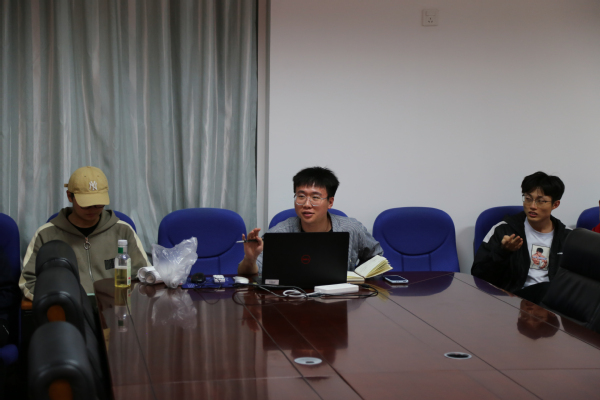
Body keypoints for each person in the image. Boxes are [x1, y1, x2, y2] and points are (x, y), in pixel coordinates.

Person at [19, 166, 150, 299]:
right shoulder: (46, 235)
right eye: (86, 204)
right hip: (67, 307)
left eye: (98, 204)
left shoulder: (123, 230)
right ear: (69, 196)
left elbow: (144, 276)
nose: (92, 209)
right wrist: (54, 302)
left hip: (116, 305)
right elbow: (28, 281)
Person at [238, 166, 383, 274]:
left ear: (330, 202)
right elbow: (248, 274)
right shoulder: (279, 232)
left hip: (341, 299)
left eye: (315, 197)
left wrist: (358, 277)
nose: (307, 204)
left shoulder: (352, 228)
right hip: (291, 299)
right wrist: (250, 259)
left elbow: (376, 257)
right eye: (301, 196)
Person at [471, 171, 571, 304]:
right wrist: (502, 252)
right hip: (514, 299)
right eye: (528, 198)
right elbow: (478, 275)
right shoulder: (504, 230)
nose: (532, 206)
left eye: (541, 201)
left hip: (554, 302)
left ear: (555, 204)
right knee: (546, 289)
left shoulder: (568, 237)